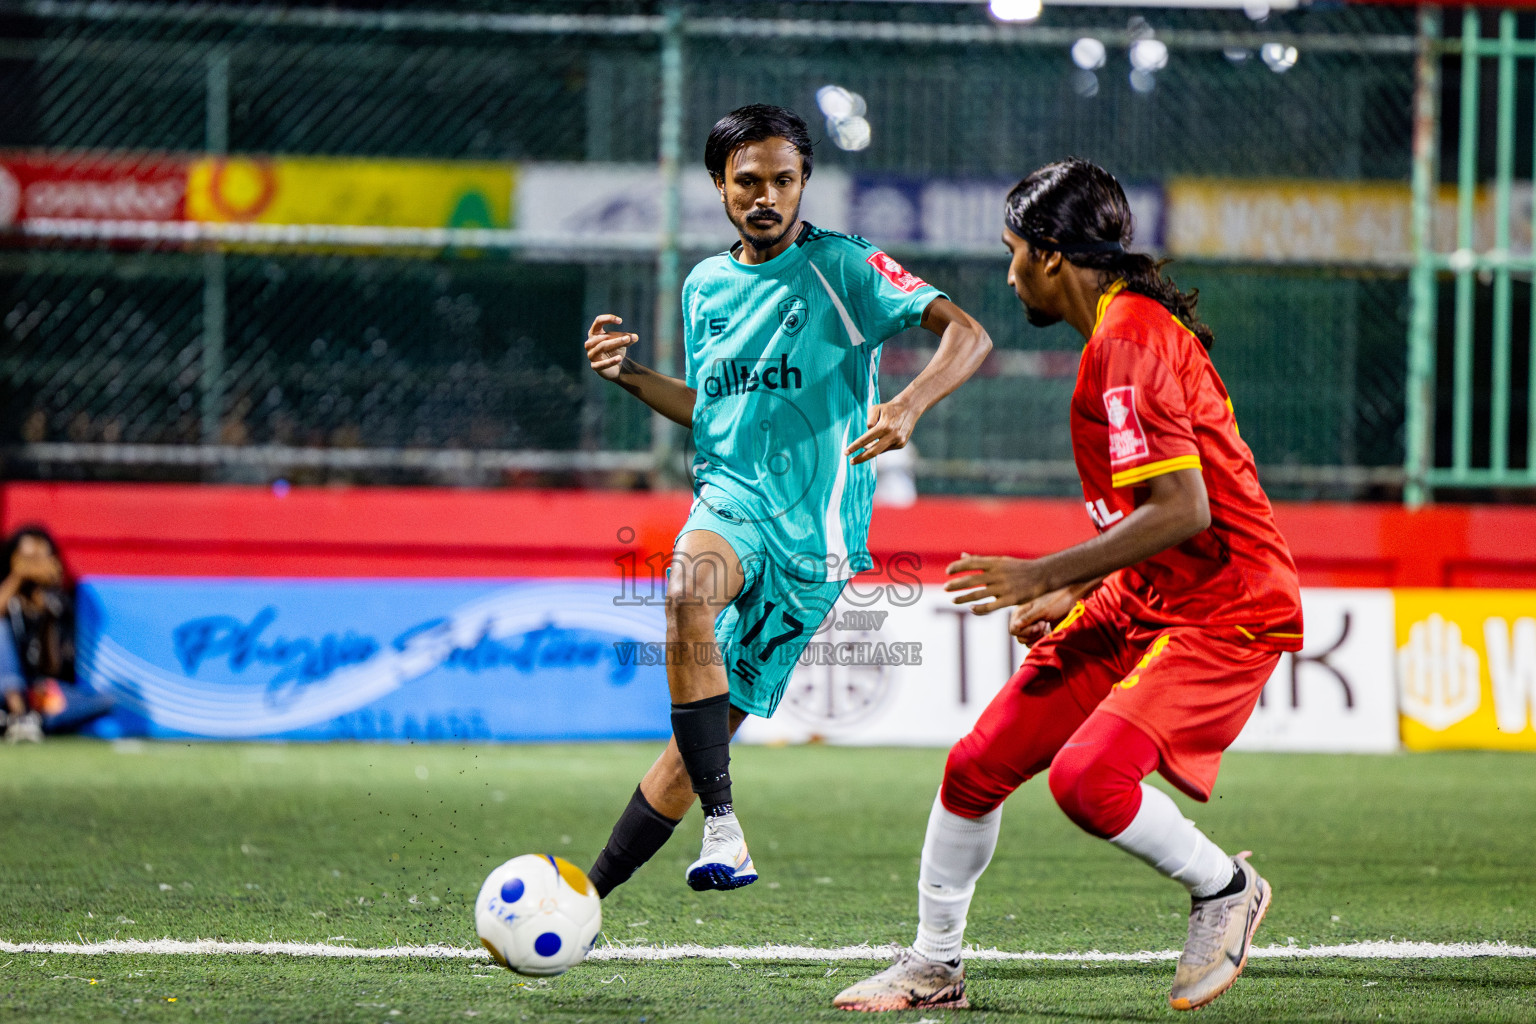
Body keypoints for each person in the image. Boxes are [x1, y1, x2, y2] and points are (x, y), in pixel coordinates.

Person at [833, 158, 1303, 1013]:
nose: (1009, 271)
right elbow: (1159, 517)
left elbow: (1185, 509)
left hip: (1224, 606)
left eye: (1014, 251)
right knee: (977, 766)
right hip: (1149, 591)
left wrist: (1045, 574)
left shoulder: (1129, 339)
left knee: (1089, 781)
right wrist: (1079, 596)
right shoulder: (1120, 334)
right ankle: (935, 968)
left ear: (1051, 255)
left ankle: (1225, 888)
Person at [581, 104, 991, 896]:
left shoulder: (845, 267)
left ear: (804, 182)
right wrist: (628, 375)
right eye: (747, 182)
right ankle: (720, 829)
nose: (764, 196)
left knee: (686, 754)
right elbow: (713, 406)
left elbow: (967, 334)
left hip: (816, 543)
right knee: (684, 591)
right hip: (730, 504)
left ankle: (593, 891)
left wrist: (908, 404)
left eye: (782, 180)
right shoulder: (704, 285)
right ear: (719, 186)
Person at [0, 526, 114, 742]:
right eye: (27, 557)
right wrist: (18, 577)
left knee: (102, 701)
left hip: (34, 693)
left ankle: (17, 720)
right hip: (4, 687)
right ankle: (21, 716)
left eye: (39, 557)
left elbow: (51, 668)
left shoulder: (55, 602)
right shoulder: (7, 594)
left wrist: (47, 619)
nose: (33, 565)